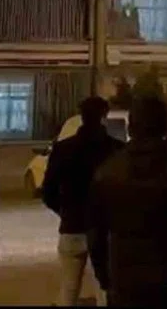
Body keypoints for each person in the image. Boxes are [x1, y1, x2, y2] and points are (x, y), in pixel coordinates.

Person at [86, 95, 167, 306]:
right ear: (164, 126)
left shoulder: (108, 172)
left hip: (125, 279)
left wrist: (105, 277)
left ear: (130, 128)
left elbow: (96, 234)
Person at [42, 96, 125, 307]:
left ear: (81, 117)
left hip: (72, 226)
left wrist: (64, 211)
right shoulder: (116, 149)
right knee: (105, 288)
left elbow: (48, 191)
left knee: (69, 288)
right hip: (105, 228)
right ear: (104, 116)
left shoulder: (63, 149)